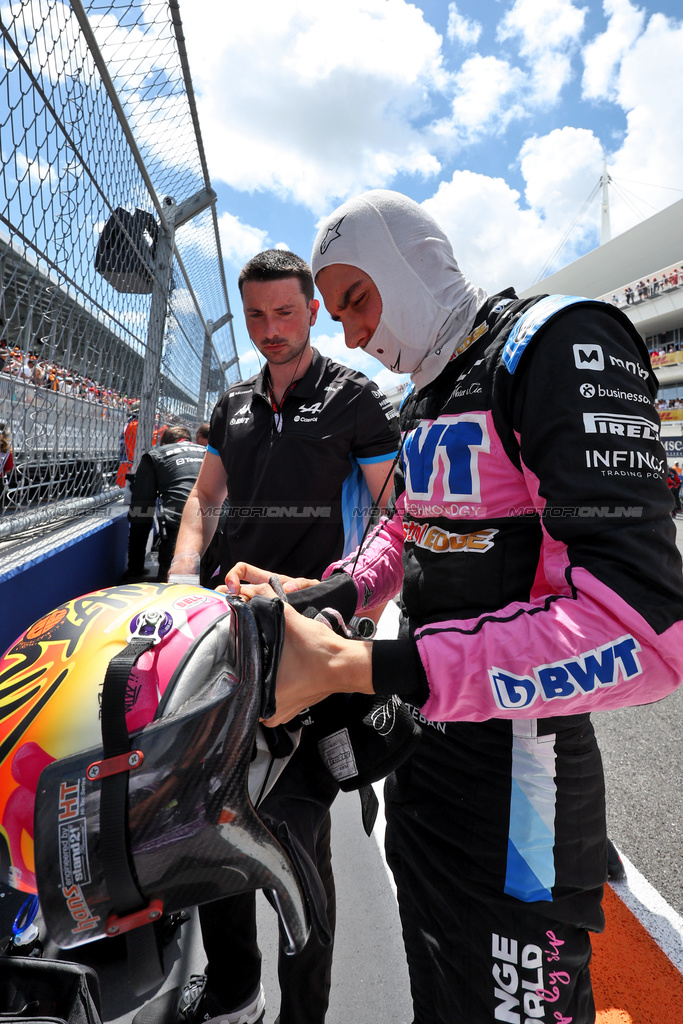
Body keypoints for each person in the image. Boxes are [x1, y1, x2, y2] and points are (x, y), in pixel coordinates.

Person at [226, 191, 683, 1024]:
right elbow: (407, 527)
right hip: (425, 753)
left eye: (356, 299)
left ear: (416, 263)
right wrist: (330, 591)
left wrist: (366, 663)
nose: (352, 332)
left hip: (526, 787)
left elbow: (643, 634)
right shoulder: (426, 395)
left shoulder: (553, 344)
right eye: (336, 315)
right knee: (436, 981)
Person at [171, 249, 400, 1024]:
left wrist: (340, 597)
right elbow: (203, 501)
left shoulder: (355, 399)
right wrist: (178, 583)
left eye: (286, 313)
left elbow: (397, 517)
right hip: (219, 642)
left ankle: (305, 1016)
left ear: (311, 311)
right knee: (208, 821)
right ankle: (235, 993)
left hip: (304, 647)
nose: (271, 331)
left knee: (299, 843)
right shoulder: (231, 403)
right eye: (257, 316)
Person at [125, 423, 206, 582]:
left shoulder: (156, 455)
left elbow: (141, 514)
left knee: (175, 597)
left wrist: (135, 569)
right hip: (223, 530)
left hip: (182, 536)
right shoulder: (209, 453)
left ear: (164, 444)